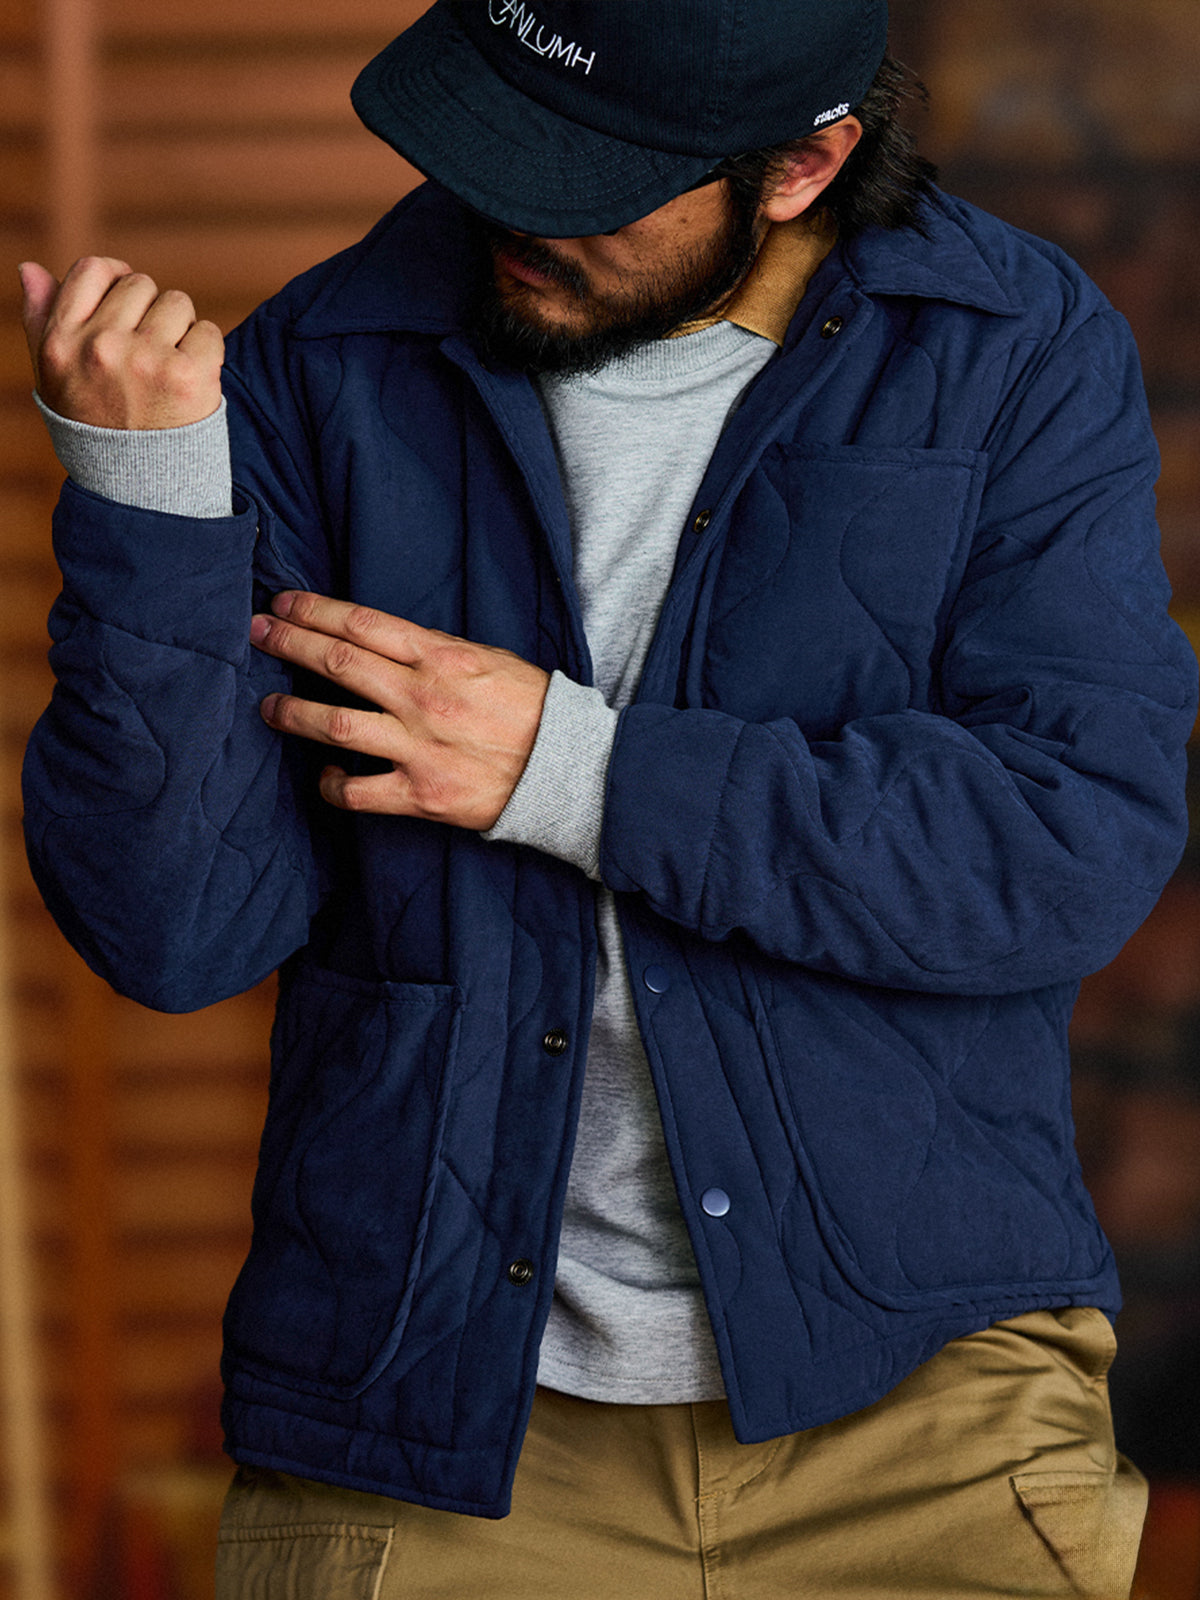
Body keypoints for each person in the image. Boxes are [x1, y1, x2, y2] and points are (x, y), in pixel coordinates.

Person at [17, 1, 1197, 1594]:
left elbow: (1064, 841)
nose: (507, 211)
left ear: (803, 165)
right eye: (496, 140)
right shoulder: (320, 362)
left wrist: (570, 771)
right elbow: (175, 933)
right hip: (425, 1417)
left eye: (584, 177)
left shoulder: (1009, 347)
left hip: (928, 1408)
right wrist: (146, 500)